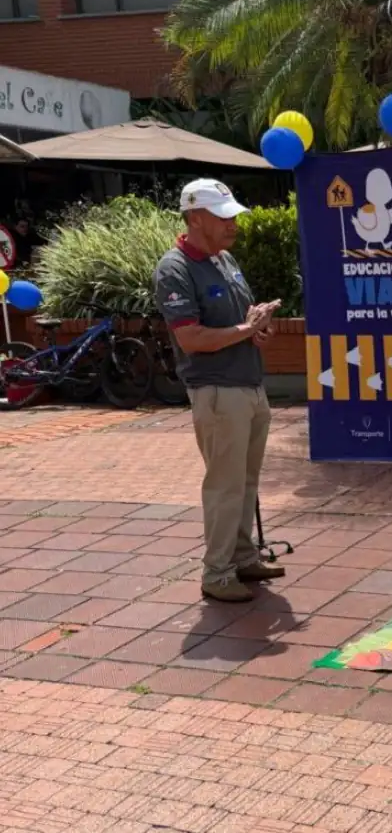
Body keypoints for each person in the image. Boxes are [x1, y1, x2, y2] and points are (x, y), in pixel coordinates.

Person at [153, 179, 283, 603]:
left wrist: (259, 329)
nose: (233, 224)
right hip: (217, 392)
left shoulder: (225, 260)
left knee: (245, 482)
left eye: (233, 216)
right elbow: (191, 338)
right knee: (225, 486)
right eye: (223, 217)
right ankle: (218, 573)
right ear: (195, 218)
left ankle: (243, 557)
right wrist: (247, 328)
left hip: (249, 385)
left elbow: (240, 322)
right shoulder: (174, 268)